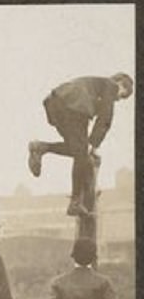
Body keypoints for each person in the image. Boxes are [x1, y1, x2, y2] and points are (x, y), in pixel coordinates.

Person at [28, 73, 133, 217]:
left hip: (55, 103)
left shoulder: (94, 85)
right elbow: (105, 118)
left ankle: (41, 147)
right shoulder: (111, 85)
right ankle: (75, 202)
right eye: (122, 95)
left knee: (76, 150)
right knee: (82, 154)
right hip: (75, 106)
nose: (117, 99)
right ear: (121, 83)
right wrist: (93, 144)